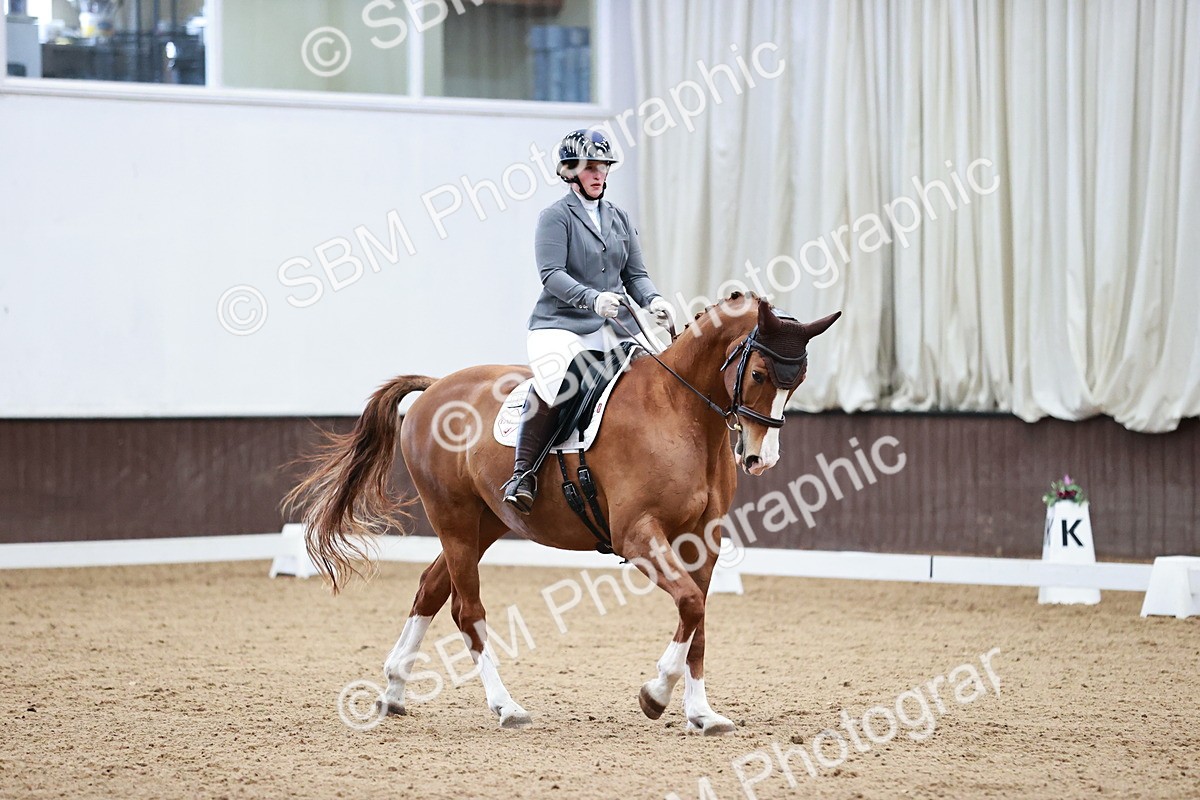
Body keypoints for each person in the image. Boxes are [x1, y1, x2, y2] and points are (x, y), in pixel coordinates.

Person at [501, 129, 675, 514]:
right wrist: (592, 298)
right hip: (558, 326)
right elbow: (551, 274)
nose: (598, 174)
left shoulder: (619, 218)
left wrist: (654, 300)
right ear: (570, 171)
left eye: (603, 167)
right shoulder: (555, 217)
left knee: (658, 373)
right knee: (559, 381)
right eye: (589, 167)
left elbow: (635, 275)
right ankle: (522, 473)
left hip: (613, 326)